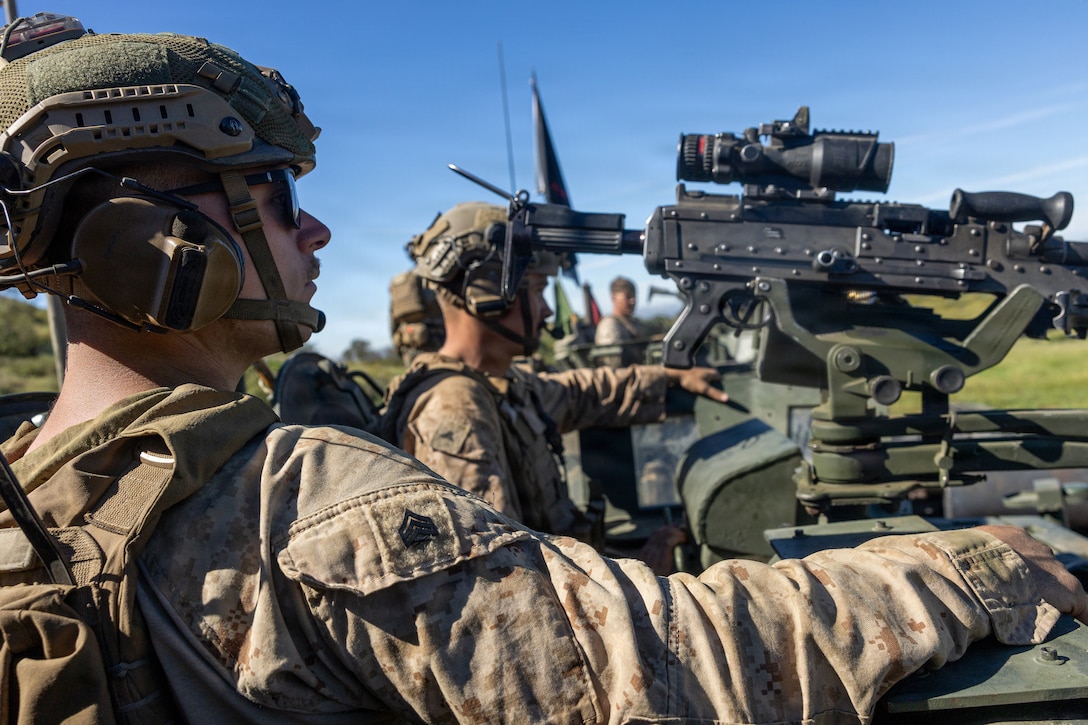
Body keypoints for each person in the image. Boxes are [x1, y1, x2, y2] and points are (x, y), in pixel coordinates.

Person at [0, 16, 1085, 725]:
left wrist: (673, 385)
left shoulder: (33, 489)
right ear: (152, 241)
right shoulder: (299, 499)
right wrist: (969, 569)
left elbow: (565, 394)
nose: (316, 227)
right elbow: (668, 666)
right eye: (277, 191)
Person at [382, 202, 728, 553]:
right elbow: (504, 576)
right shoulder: (455, 408)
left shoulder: (501, 385)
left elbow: (582, 393)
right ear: (485, 292)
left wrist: (669, 375)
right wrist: (647, 570)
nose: (547, 309)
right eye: (536, 290)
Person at [594, 275, 653, 367]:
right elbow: (612, 364)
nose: (633, 301)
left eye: (634, 296)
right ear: (613, 298)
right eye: (628, 297)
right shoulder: (609, 325)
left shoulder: (633, 322)